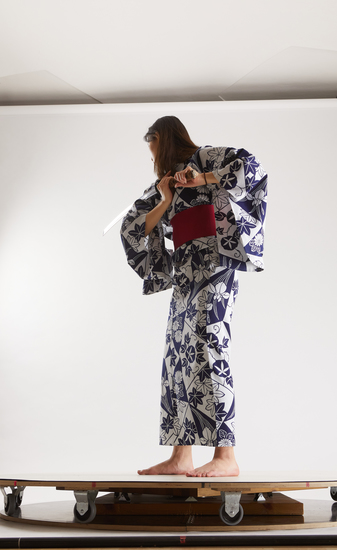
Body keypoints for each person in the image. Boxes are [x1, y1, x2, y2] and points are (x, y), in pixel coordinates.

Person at [120, 116, 268, 477]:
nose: (152, 156)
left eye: (151, 147)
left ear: (160, 138)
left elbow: (250, 167)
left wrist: (203, 179)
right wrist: (166, 198)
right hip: (186, 275)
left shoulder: (206, 157)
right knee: (177, 358)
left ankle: (226, 455)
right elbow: (132, 228)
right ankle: (180, 455)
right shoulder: (163, 183)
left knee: (210, 348)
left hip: (216, 268)